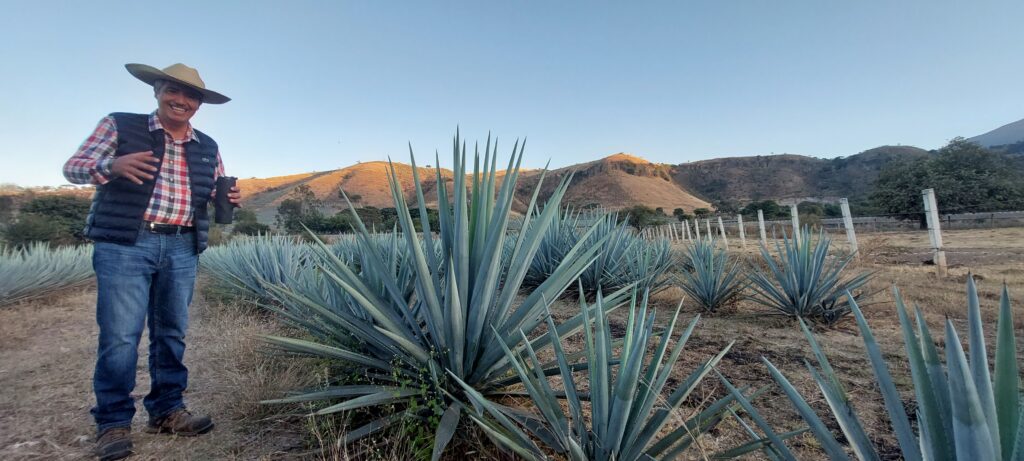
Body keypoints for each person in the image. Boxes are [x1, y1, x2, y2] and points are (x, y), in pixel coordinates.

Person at [63, 63, 241, 461]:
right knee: (121, 335)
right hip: (126, 242)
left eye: (191, 96)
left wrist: (225, 199)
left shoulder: (207, 146)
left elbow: (212, 189)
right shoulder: (120, 125)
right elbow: (73, 168)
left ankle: (167, 410)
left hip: (181, 244)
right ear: (157, 90)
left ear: (199, 103)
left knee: (172, 332)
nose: (182, 101)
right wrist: (111, 167)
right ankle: (112, 423)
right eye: (173, 91)